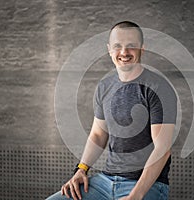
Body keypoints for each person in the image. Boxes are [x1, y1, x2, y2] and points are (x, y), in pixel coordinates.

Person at [47, 21, 177, 200]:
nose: (124, 52)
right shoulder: (104, 87)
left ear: (142, 48)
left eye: (131, 46)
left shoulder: (158, 88)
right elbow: (98, 135)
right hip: (104, 182)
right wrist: (81, 170)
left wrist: (135, 196)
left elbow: (162, 149)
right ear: (109, 49)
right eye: (118, 46)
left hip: (146, 185)